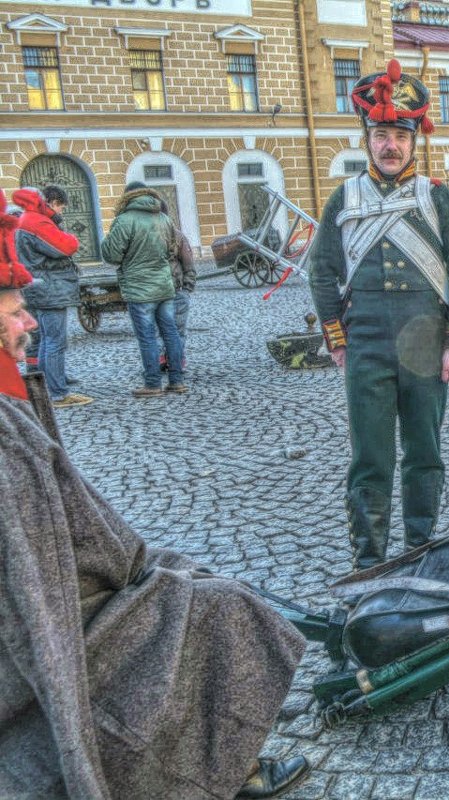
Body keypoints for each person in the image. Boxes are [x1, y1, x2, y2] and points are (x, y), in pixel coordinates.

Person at [0, 189, 311, 800]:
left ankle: (228, 722)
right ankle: (224, 760)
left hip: (64, 593)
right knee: (221, 604)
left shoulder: (13, 397)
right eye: (13, 311)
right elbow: (50, 576)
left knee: (185, 577)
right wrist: (136, 569)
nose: (28, 319)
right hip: (52, 624)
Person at [309, 58, 449, 571]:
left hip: (427, 341)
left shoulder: (436, 198)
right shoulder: (345, 198)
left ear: (413, 141)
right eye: (382, 135)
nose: (391, 146)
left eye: (400, 137)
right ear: (367, 137)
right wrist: (337, 338)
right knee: (371, 458)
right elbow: (321, 272)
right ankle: (369, 558)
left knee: (424, 452)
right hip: (367, 342)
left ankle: (421, 548)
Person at [100, 182, 185, 397]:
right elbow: (173, 249)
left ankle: (153, 384)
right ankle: (176, 381)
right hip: (164, 285)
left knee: (147, 337)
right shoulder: (164, 218)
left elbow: (112, 256)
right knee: (171, 333)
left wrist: (106, 242)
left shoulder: (124, 220)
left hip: (139, 288)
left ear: (127, 198)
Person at [13, 185, 92, 408]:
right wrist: (72, 237)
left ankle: (48, 386)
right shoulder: (36, 221)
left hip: (36, 286)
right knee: (54, 341)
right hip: (49, 288)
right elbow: (66, 246)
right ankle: (58, 393)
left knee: (44, 339)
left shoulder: (26, 219)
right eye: (60, 207)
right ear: (51, 202)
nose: (61, 212)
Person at [158, 199, 195, 372]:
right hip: (175, 289)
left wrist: (186, 288)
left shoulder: (176, 236)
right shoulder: (178, 235)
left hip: (169, 291)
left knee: (161, 329)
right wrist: (187, 287)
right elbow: (189, 265)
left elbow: (188, 265)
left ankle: (168, 359)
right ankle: (174, 360)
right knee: (177, 329)